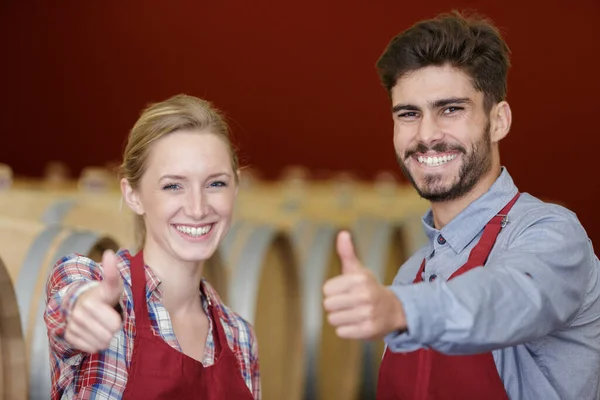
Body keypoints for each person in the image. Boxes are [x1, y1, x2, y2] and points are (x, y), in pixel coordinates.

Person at [322, 10, 600, 400]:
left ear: (498, 120)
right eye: (408, 114)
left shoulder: (552, 234)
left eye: (450, 109)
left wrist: (402, 310)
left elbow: (507, 297)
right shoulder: (409, 276)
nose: (427, 135)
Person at [44, 94, 261, 399]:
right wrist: (82, 311)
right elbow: (69, 300)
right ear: (133, 195)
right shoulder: (104, 295)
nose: (198, 208)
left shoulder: (240, 336)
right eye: (173, 185)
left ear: (235, 188)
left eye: (216, 184)